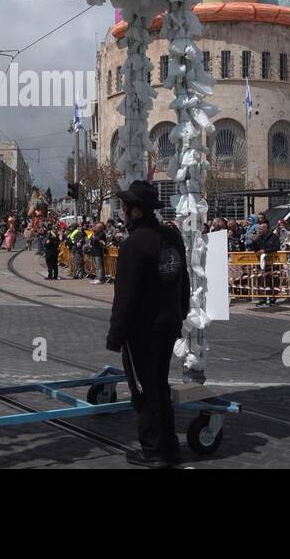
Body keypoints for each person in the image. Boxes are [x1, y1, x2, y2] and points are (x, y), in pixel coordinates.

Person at [106, 181, 188, 468]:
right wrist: (181, 313)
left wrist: (115, 335)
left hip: (142, 331)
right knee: (160, 386)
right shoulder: (172, 237)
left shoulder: (135, 244)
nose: (122, 213)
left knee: (144, 391)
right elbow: (183, 281)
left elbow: (126, 296)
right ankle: (170, 447)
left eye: (125, 208)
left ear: (136, 212)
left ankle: (153, 451)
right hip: (169, 325)